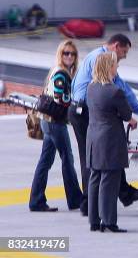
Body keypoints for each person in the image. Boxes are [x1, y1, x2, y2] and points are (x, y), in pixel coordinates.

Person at [69, 34, 138, 216]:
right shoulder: (102, 60)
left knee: (103, 154)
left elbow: (121, 89)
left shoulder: (98, 56)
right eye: (124, 51)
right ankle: (89, 204)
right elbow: (117, 92)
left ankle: (123, 193)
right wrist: (135, 115)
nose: (124, 56)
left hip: (83, 109)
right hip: (84, 111)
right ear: (115, 46)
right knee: (92, 157)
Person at [29, 40, 83, 212]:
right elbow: (61, 98)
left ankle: (36, 201)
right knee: (67, 158)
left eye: (72, 54)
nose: (69, 57)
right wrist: (76, 102)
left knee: (45, 161)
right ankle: (75, 200)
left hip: (47, 121)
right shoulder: (61, 74)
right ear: (60, 55)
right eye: (66, 53)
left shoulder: (57, 71)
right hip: (54, 123)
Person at [86, 52, 137, 233]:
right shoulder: (114, 91)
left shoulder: (91, 88)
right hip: (110, 140)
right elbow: (126, 114)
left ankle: (94, 220)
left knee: (95, 178)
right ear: (109, 67)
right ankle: (108, 221)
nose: (117, 68)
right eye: (115, 65)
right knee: (109, 179)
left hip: (93, 138)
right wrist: (131, 120)